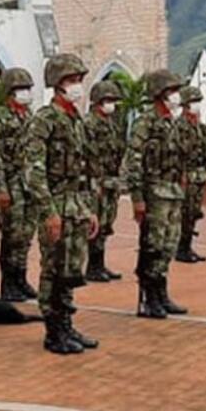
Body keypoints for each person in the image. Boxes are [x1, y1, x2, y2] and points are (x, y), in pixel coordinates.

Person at [25, 54, 100, 354]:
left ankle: (66, 324)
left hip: (76, 205)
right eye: (71, 81)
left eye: (79, 80)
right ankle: (53, 331)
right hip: (56, 204)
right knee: (53, 269)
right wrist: (48, 212)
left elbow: (85, 169)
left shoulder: (75, 120)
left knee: (71, 270)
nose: (77, 86)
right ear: (56, 84)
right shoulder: (45, 120)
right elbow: (34, 169)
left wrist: (90, 208)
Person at [123, 69, 188, 319]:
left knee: (169, 244)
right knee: (152, 245)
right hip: (154, 192)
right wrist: (138, 198)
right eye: (172, 91)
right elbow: (133, 161)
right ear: (160, 94)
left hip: (172, 192)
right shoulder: (145, 122)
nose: (176, 96)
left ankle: (161, 293)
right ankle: (148, 298)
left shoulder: (172, 121)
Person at [0, 67, 37, 302]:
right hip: (11, 183)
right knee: (11, 235)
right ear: (9, 92)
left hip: (29, 185)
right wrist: (1, 188)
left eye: (27, 88)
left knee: (25, 235)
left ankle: (21, 279)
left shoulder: (29, 117)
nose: (25, 93)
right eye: (20, 89)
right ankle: (8, 284)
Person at [84, 79, 125, 283]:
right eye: (107, 100)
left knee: (107, 223)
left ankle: (100, 264)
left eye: (113, 100)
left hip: (111, 181)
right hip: (97, 182)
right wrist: (93, 183)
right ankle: (92, 266)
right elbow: (87, 156)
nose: (111, 104)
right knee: (96, 224)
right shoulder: (89, 124)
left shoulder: (111, 125)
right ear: (97, 101)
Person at [174, 85, 206, 265]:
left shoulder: (200, 127)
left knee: (194, 212)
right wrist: (180, 176)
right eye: (193, 102)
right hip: (186, 175)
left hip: (199, 175)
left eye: (198, 102)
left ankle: (187, 246)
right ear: (185, 105)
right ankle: (181, 247)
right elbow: (177, 153)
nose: (196, 106)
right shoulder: (179, 126)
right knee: (185, 212)